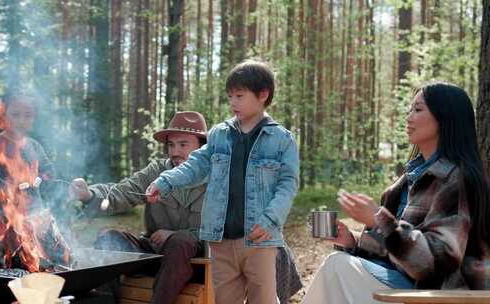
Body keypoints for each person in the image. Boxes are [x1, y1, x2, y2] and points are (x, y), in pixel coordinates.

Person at [302, 82, 490, 304]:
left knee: (337, 267)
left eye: (418, 110)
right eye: (410, 109)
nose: (408, 117)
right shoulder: (407, 180)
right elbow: (394, 250)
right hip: (399, 284)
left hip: (436, 293)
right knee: (339, 263)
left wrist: (379, 219)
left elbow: (435, 264)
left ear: (445, 118)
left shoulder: (457, 179)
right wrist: (353, 240)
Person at [146, 60, 300, 304]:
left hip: (259, 239)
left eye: (239, 95)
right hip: (220, 240)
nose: (233, 103)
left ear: (263, 95)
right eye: (230, 96)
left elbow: (287, 185)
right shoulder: (219, 134)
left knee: (264, 300)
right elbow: (195, 165)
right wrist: (164, 182)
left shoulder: (282, 140)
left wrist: (270, 219)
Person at [70, 111, 209, 304]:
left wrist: (177, 235)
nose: (175, 152)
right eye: (171, 144)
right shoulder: (157, 171)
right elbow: (124, 190)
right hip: (155, 254)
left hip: (197, 262)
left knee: (180, 242)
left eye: (183, 144)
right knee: (109, 238)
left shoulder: (218, 177)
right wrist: (89, 194)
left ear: (202, 147)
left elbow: (228, 230)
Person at [0, 90, 55, 252]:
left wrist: (43, 178)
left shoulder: (34, 146)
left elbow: (49, 169)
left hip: (33, 216)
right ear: (4, 114)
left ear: (34, 118)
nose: (21, 120)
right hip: (0, 215)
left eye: (27, 115)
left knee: (34, 255)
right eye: (15, 114)